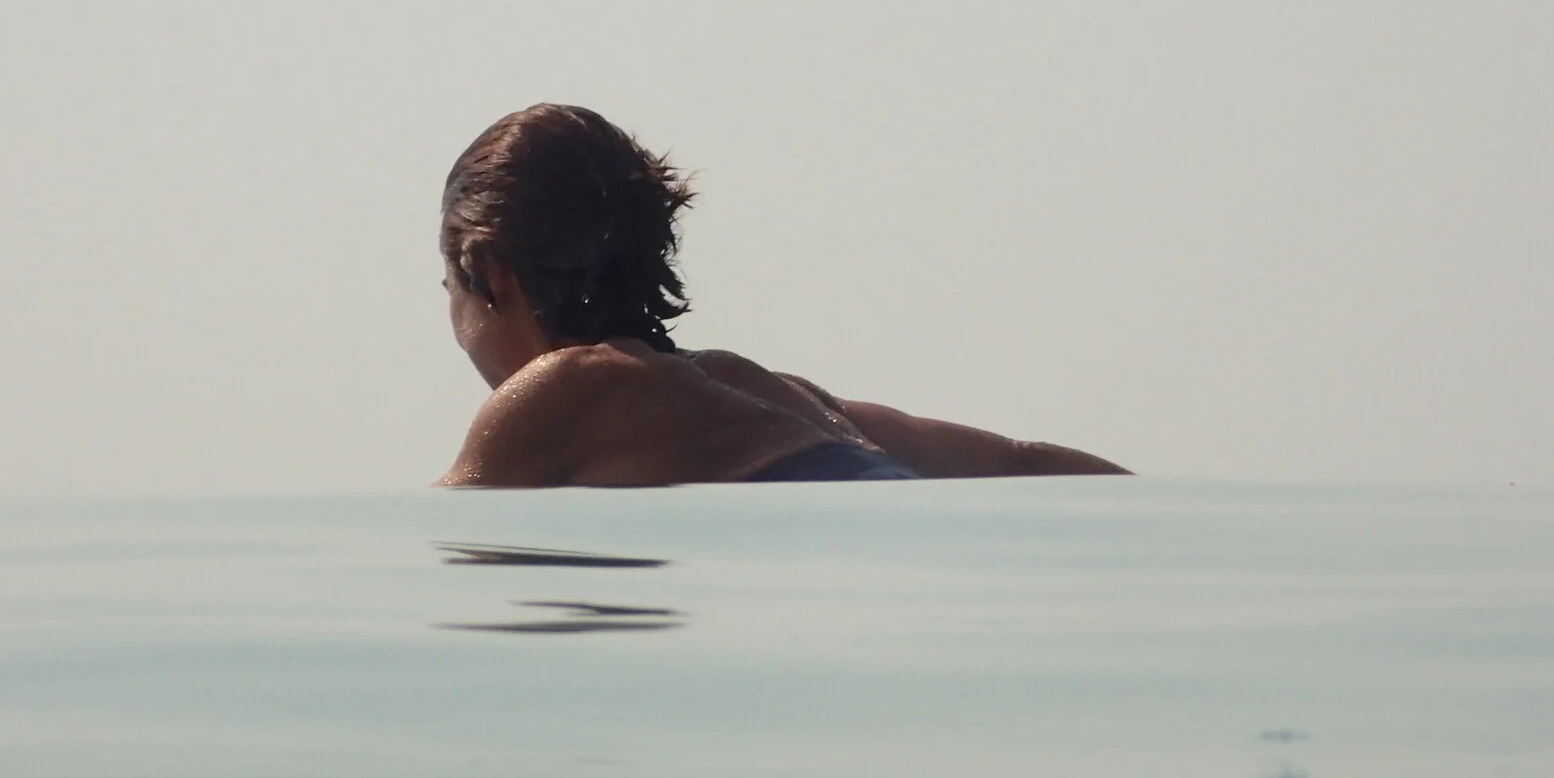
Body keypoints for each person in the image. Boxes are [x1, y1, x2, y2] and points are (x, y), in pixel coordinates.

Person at [434, 105, 1130, 487]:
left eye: (447, 287)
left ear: (492, 273)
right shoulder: (776, 393)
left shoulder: (559, 392)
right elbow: (1022, 463)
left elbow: (443, 546)